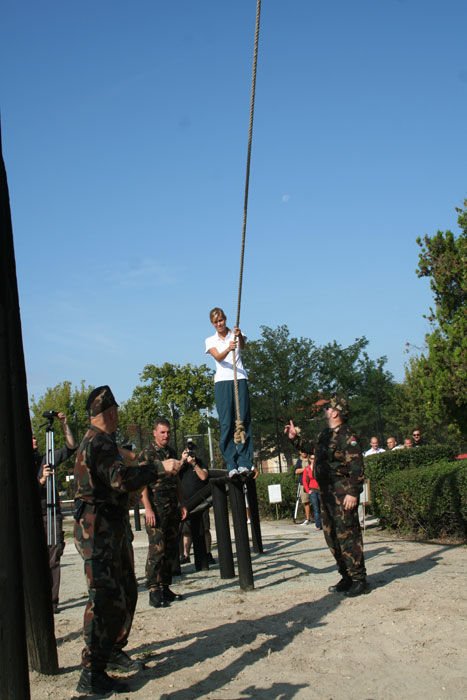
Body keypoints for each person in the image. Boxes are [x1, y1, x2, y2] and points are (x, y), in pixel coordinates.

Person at [73, 386, 181, 696]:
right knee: (104, 599)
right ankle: (91, 674)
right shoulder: (99, 443)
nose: (119, 415)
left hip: (108, 529)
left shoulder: (100, 441)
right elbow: (122, 480)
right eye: (116, 410)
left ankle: (112, 653)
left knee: (124, 592)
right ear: (107, 413)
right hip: (99, 531)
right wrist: (159, 467)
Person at [285, 396, 369, 597]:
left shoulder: (348, 436)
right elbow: (311, 449)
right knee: (331, 536)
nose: (325, 411)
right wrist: (294, 438)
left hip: (342, 493)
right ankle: (346, 575)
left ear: (336, 412)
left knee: (348, 535)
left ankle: (359, 579)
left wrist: (353, 493)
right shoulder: (325, 434)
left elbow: (357, 467)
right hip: (326, 494)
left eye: (327, 408)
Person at [140, 418, 188, 608]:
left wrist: (182, 503)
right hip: (156, 508)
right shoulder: (147, 454)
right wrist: (148, 508)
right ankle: (153, 589)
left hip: (172, 507)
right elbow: (142, 483)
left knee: (169, 550)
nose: (166, 436)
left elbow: (176, 480)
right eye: (162, 432)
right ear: (154, 433)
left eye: (168, 432)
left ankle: (165, 587)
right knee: (156, 550)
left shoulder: (171, 453)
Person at [205, 307, 254, 477]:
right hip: (222, 382)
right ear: (213, 324)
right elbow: (218, 357)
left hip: (239, 378)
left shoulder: (235, 334)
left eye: (221, 320)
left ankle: (245, 461)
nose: (220, 324)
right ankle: (231, 461)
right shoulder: (210, 340)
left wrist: (239, 336)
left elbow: (243, 346)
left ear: (225, 319)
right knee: (226, 422)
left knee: (243, 419)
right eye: (216, 322)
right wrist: (228, 349)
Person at [35, 412, 76, 613]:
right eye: (31, 437)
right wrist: (41, 480)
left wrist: (64, 425)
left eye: (35, 437)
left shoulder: (46, 458)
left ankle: (52, 602)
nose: (34, 440)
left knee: (53, 557)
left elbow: (70, 447)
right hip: (33, 516)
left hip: (51, 514)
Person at [178, 442, 214, 565]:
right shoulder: (181, 465)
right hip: (186, 502)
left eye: (192, 451)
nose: (190, 453)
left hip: (201, 501)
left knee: (205, 528)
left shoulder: (200, 462)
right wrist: (182, 461)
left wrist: (194, 464)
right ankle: (186, 554)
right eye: (188, 451)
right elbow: (173, 474)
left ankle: (208, 553)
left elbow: (204, 477)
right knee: (186, 531)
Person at [302, 451, 322, 531]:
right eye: (312, 458)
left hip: (320, 490)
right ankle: (318, 525)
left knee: (322, 508)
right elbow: (304, 481)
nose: (313, 460)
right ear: (309, 459)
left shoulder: (319, 468)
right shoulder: (307, 469)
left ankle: (325, 524)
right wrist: (308, 490)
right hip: (312, 490)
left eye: (314, 458)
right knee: (316, 508)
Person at [295, 450, 312, 525]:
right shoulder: (299, 461)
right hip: (303, 484)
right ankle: (308, 519)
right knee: (306, 501)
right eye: (302, 451)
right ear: (300, 452)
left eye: (305, 451)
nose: (304, 452)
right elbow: (296, 471)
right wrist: (305, 469)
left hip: (313, 483)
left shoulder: (311, 459)